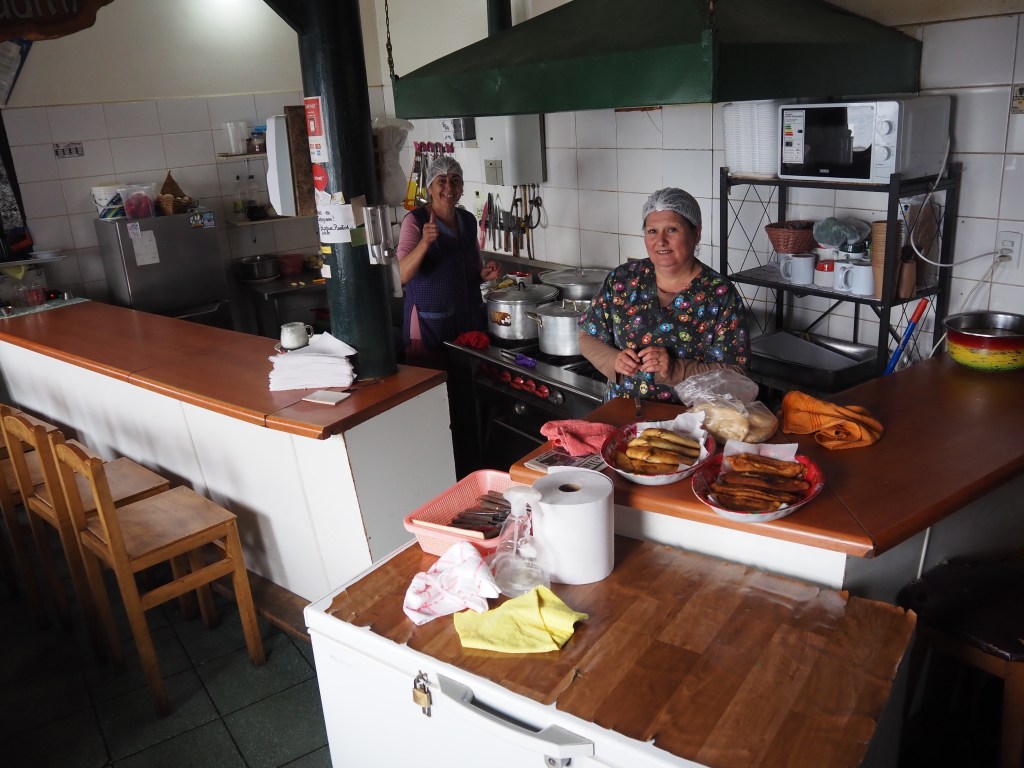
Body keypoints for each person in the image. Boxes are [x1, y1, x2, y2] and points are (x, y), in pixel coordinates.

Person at [578, 187, 749, 403]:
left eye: (672, 230)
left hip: (690, 419)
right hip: (622, 413)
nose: (661, 241)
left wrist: (676, 368)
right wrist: (614, 360)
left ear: (696, 233)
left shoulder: (719, 293)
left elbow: (736, 375)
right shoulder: (622, 280)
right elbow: (587, 337)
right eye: (652, 231)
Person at [397, 155, 501, 367]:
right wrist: (425, 242)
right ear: (429, 188)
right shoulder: (415, 221)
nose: (449, 187)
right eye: (441, 181)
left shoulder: (468, 220)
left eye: (455, 180)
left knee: (466, 382)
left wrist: (483, 274)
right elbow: (401, 275)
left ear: (462, 187)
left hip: (467, 322)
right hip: (429, 325)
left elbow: (470, 268)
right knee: (434, 383)